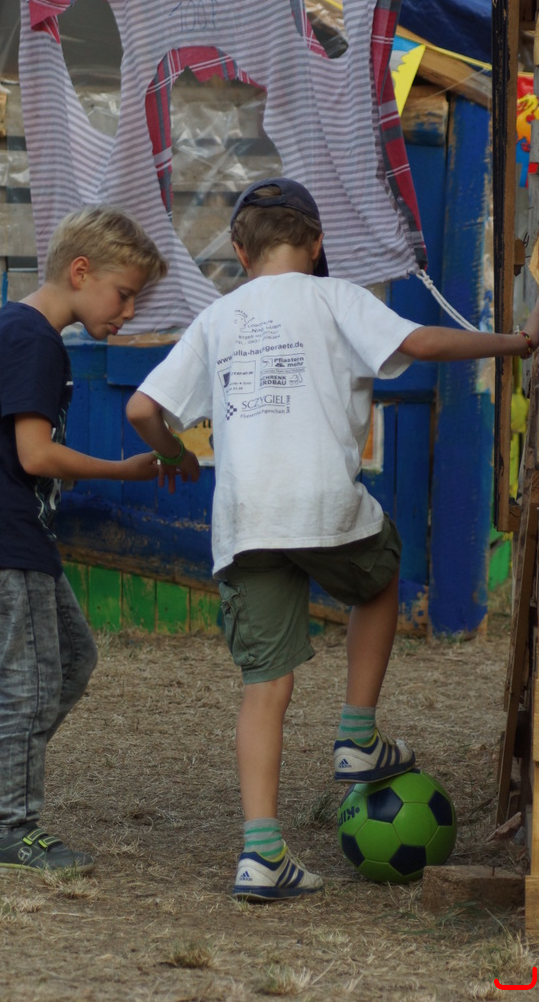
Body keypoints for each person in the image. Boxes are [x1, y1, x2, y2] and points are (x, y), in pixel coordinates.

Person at [126, 176, 539, 904]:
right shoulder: (337, 298)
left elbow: (140, 408)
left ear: (239, 251)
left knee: (265, 687)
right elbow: (421, 342)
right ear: (317, 244)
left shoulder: (216, 318)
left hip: (246, 522)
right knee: (378, 577)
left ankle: (261, 854)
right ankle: (356, 735)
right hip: (321, 503)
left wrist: (175, 454)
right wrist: (518, 341)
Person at [0, 207, 172, 877]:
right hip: (5, 531)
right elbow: (35, 455)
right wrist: (122, 470)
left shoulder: (15, 332)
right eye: (124, 294)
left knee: (71, 658)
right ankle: (9, 830)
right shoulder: (32, 340)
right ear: (81, 271)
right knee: (33, 681)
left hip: (3, 531)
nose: (128, 313)